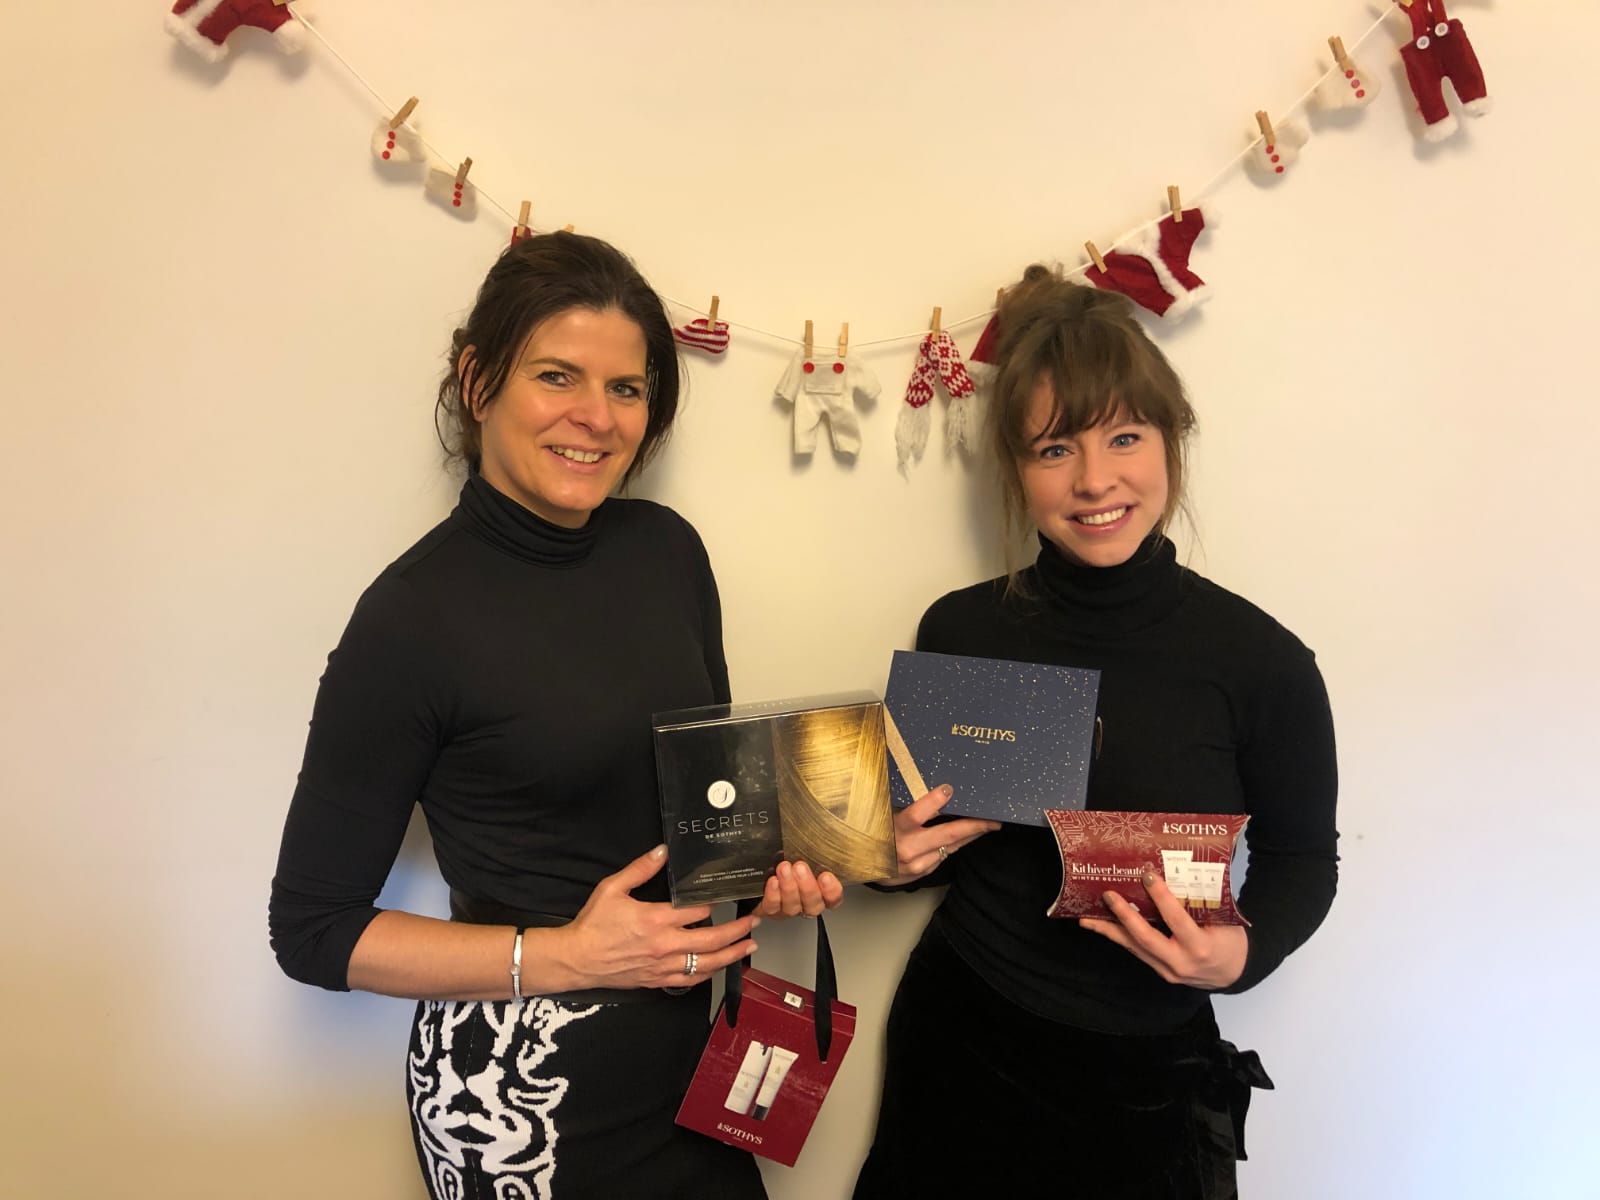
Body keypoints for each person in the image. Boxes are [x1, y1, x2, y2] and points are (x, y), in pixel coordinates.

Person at [269, 232, 839, 1200]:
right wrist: (569, 954)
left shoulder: (667, 552)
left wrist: (806, 856)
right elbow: (312, 930)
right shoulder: (408, 619)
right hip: (514, 1093)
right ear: (477, 381)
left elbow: (701, 810)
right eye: (556, 376)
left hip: (688, 1064)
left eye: (627, 388)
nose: (597, 418)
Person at [856, 269, 1339, 1199]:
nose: (1094, 480)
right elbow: (933, 846)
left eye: (1124, 436)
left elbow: (1303, 861)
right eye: (1054, 448)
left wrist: (1239, 956)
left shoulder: (1261, 662)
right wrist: (888, 857)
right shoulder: (962, 628)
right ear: (1015, 469)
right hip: (964, 1040)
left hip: (1147, 1077)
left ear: (1172, 440)